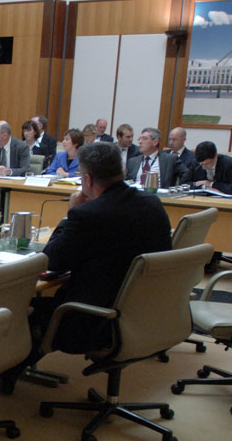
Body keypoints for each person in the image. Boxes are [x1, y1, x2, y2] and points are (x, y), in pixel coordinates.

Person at [29, 142, 172, 356]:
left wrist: (70, 214)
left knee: (15, 309)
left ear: (87, 179)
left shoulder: (87, 215)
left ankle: (7, 370)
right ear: (121, 171)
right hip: (141, 310)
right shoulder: (152, 203)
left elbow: (51, 260)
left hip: (91, 318)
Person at [125, 128, 189, 188]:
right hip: (136, 193)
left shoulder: (170, 159)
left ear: (155, 142)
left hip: (158, 194)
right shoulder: (132, 161)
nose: (140, 142)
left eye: (144, 138)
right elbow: (127, 182)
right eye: (140, 138)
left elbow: (187, 174)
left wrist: (177, 189)